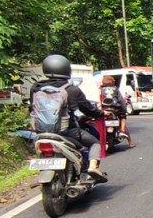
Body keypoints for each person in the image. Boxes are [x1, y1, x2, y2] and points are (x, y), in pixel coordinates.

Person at [31, 54, 109, 182]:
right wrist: (100, 114)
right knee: (95, 143)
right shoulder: (72, 89)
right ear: (66, 69)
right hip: (68, 131)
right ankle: (93, 167)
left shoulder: (36, 88)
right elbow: (88, 109)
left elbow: (32, 107)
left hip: (42, 132)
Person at [98, 75, 135, 148]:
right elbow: (121, 100)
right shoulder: (115, 89)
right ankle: (125, 135)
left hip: (104, 109)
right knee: (123, 116)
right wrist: (124, 110)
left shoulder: (100, 89)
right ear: (112, 82)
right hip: (115, 109)